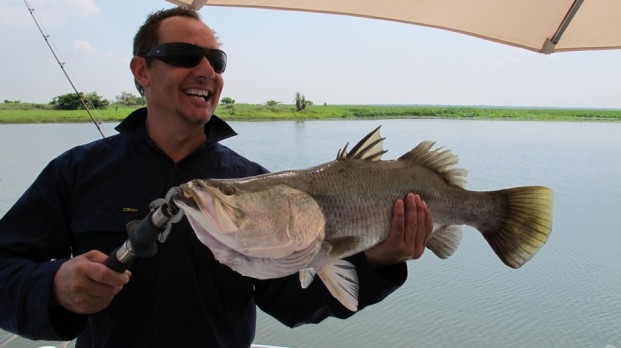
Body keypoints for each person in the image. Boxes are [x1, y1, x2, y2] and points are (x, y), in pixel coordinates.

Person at [0, 7, 432, 348]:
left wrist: (379, 262)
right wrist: (53, 287)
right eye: (186, 56)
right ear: (141, 71)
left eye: (217, 60)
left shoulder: (258, 186)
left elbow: (296, 303)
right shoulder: (76, 171)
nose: (207, 71)